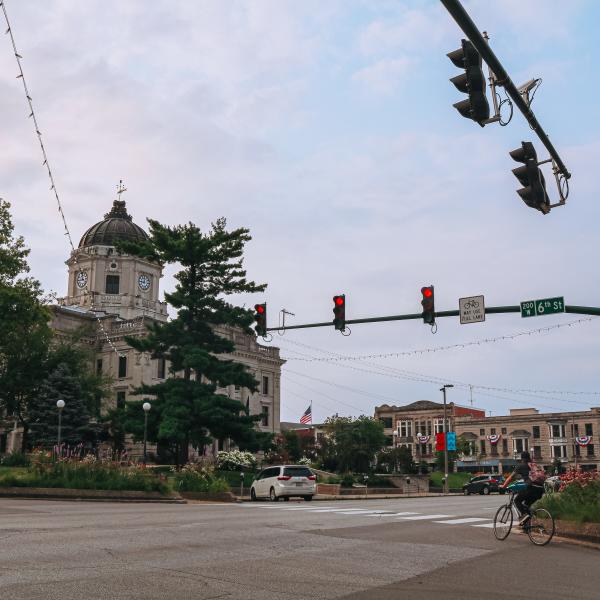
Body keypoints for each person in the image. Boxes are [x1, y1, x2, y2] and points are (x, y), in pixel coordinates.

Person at [501, 451, 545, 526]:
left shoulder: (521, 466)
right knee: (526, 505)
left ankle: (524, 517)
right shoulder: (534, 465)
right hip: (540, 490)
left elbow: (510, 478)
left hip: (531, 488)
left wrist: (504, 486)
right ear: (529, 457)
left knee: (516, 500)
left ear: (522, 458)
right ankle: (527, 525)